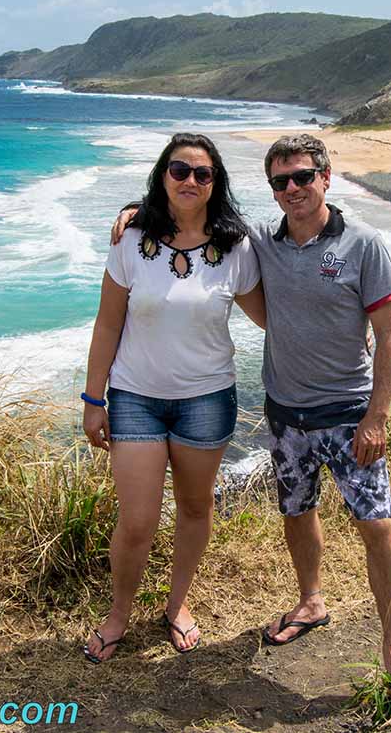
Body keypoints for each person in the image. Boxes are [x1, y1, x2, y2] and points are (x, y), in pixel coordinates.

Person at [111, 134, 391, 695]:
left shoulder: (363, 244)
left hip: (349, 411)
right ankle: (311, 602)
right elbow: (201, 226)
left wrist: (376, 417)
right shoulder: (259, 241)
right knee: (296, 513)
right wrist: (138, 209)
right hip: (285, 413)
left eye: (304, 177)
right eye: (281, 182)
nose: (293, 190)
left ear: (326, 178)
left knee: (377, 526)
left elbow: (389, 336)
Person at [82, 133, 266, 664]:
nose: (190, 180)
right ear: (162, 175)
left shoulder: (236, 246)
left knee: (194, 506)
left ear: (216, 183)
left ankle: (177, 605)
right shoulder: (131, 237)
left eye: (202, 174)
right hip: (136, 396)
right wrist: (94, 399)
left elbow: (270, 316)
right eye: (179, 170)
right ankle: (119, 613)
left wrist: (343, 331)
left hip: (207, 398)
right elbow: (107, 320)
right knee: (137, 520)